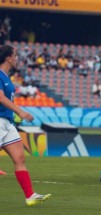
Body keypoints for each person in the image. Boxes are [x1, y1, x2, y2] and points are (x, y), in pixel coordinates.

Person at [0, 45, 51, 206]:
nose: (16, 58)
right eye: (14, 55)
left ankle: (30, 196)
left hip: (7, 123)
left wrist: (14, 115)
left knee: (20, 158)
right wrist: (21, 112)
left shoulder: (6, 77)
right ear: (8, 57)